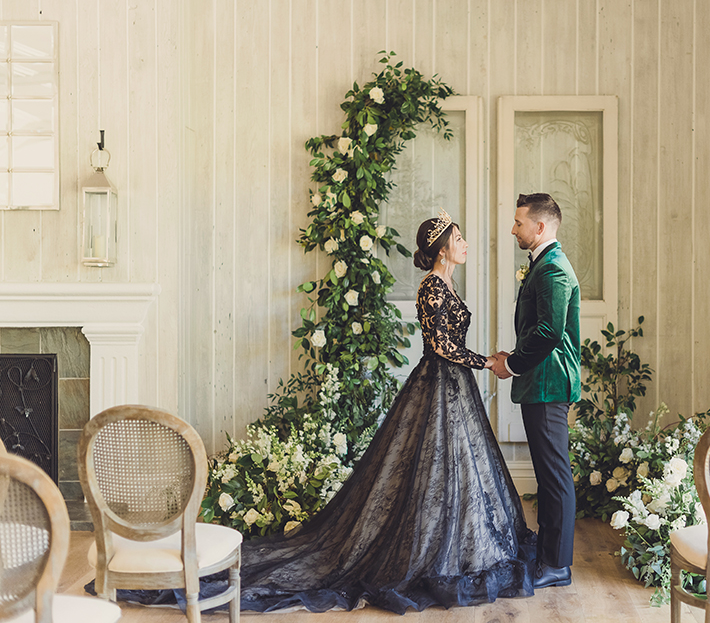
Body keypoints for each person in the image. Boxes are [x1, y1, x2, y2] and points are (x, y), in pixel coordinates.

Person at [108, 209, 536, 614]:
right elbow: (441, 345)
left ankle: (456, 545)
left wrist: (485, 362)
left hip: (453, 386)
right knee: (432, 465)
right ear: (442, 248)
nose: (464, 244)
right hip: (439, 384)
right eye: (458, 238)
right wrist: (487, 361)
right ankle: (431, 552)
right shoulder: (432, 286)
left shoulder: (447, 285)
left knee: (455, 467)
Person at [489, 192, 580, 590]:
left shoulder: (554, 269)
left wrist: (510, 364)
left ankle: (557, 565)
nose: (513, 229)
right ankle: (547, 554)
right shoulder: (543, 265)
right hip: (539, 382)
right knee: (547, 474)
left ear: (540, 227)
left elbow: (548, 332)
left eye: (519, 222)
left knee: (555, 475)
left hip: (548, 383)